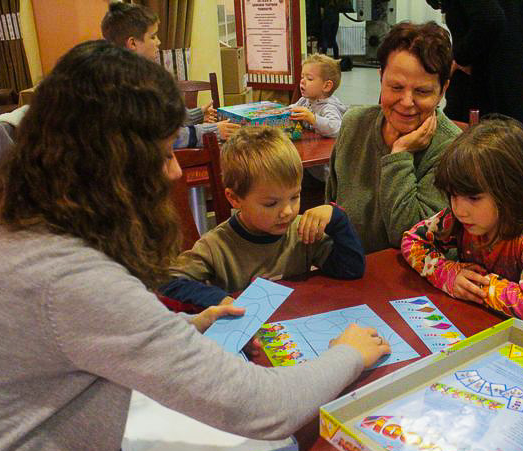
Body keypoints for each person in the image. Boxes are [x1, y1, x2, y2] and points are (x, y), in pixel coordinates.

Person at [0, 41, 390, 451]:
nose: (175, 170)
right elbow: (263, 409)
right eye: (162, 153)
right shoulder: (65, 276)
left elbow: (77, 340)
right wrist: (349, 353)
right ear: (109, 165)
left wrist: (186, 324)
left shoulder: (9, 225)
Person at [161, 126, 364, 308]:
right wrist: (218, 299)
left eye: (295, 197)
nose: (287, 211)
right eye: (271, 204)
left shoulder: (301, 231)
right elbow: (167, 282)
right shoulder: (216, 246)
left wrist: (337, 220)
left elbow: (351, 269)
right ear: (234, 199)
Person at [401, 117, 523, 329]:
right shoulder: (461, 220)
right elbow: (412, 240)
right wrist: (447, 273)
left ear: (512, 189)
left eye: (474, 198)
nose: (459, 210)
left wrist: (477, 286)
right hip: (477, 326)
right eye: (453, 195)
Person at [326, 21, 462, 254]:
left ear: (443, 90)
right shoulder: (354, 123)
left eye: (422, 91)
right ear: (381, 78)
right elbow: (331, 209)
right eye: (396, 87)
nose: (407, 102)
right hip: (349, 267)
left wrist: (400, 154)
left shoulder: (453, 150)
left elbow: (413, 241)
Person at [101, 1, 239, 145]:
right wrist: (211, 131)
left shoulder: (131, 75)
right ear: (132, 43)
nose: (158, 42)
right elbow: (162, 136)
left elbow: (160, 118)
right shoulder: (127, 85)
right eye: (153, 37)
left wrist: (195, 115)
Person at [426, 0, 523, 140]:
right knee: (514, 143)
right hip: (508, 79)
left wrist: (460, 57)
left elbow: (490, 18)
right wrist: (510, 46)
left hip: (480, 85)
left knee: (475, 145)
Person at [290, 53, 347, 210]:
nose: (302, 81)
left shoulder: (329, 107)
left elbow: (337, 127)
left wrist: (313, 119)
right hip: (309, 163)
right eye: (302, 77)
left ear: (326, 86)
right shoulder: (305, 101)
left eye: (309, 78)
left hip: (324, 172)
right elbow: (293, 108)